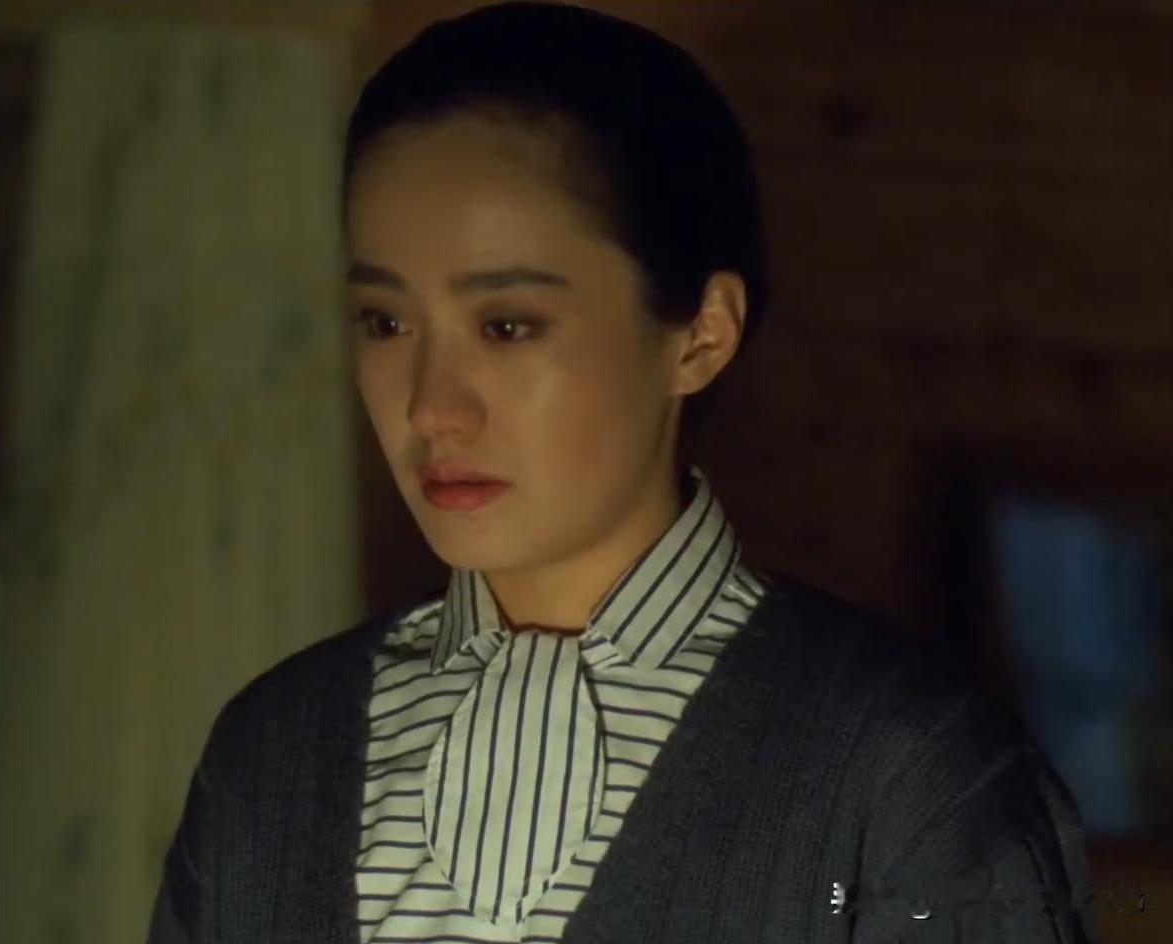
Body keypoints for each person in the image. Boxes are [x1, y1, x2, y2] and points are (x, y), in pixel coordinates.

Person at [147, 3, 1102, 941]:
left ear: (700, 335)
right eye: (386, 322)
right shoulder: (272, 755)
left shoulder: (909, 779)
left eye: (507, 325)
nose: (431, 406)